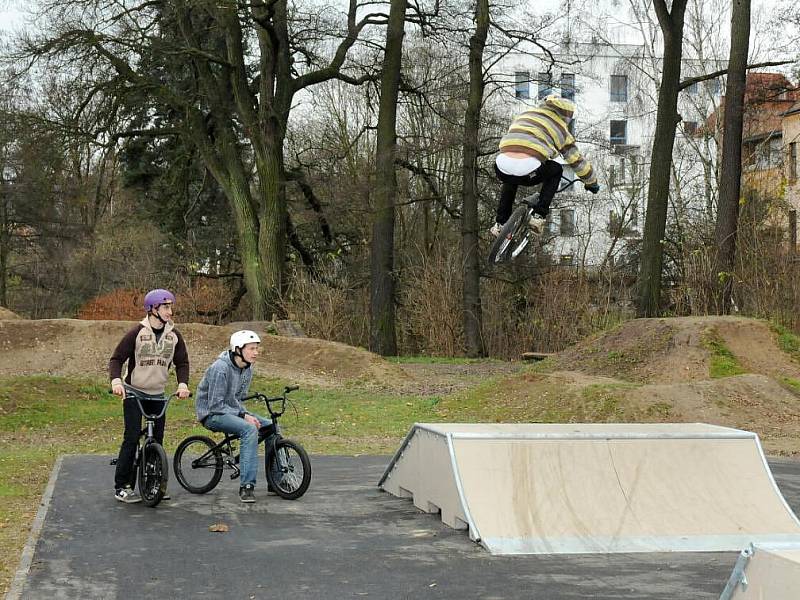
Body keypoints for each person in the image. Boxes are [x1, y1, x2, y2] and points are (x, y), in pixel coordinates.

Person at [109, 288, 191, 503]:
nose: (170, 311)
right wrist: (117, 381)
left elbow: (182, 362)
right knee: (132, 435)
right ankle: (123, 486)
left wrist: (182, 384)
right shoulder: (137, 333)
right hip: (134, 392)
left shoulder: (174, 336)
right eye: (165, 307)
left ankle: (153, 484)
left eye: (170, 306)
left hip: (158, 395)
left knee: (157, 440)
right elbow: (116, 359)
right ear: (152, 309)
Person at [490, 95, 601, 238]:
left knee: (511, 176)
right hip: (528, 170)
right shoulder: (560, 128)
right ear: (566, 116)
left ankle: (500, 223)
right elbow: (576, 161)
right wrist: (591, 182)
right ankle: (538, 216)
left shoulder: (525, 115)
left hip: (501, 165)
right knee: (556, 170)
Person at [194, 330, 267, 503]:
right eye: (251, 349)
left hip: (231, 410)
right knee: (249, 429)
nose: (256, 352)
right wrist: (243, 415)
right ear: (238, 350)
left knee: (271, 426)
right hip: (212, 414)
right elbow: (215, 405)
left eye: (257, 348)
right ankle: (247, 486)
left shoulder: (247, 368)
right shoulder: (220, 368)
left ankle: (277, 480)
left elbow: (238, 398)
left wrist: (245, 413)